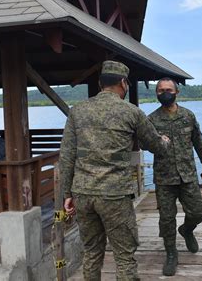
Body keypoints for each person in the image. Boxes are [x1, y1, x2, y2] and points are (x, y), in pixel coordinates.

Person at [60, 60, 170, 281]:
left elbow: (67, 155)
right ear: (123, 83)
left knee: (91, 252)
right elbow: (155, 145)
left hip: (83, 193)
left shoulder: (77, 111)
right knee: (124, 256)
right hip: (115, 195)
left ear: (101, 83)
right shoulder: (131, 112)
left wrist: (67, 195)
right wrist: (165, 141)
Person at [147, 77, 202, 277]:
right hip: (164, 178)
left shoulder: (188, 116)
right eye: (160, 90)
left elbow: (198, 142)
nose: (164, 93)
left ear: (177, 92)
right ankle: (171, 254)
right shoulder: (151, 120)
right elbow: (143, 144)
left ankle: (187, 230)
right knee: (166, 219)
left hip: (187, 175)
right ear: (156, 93)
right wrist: (156, 141)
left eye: (168, 89)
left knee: (197, 213)